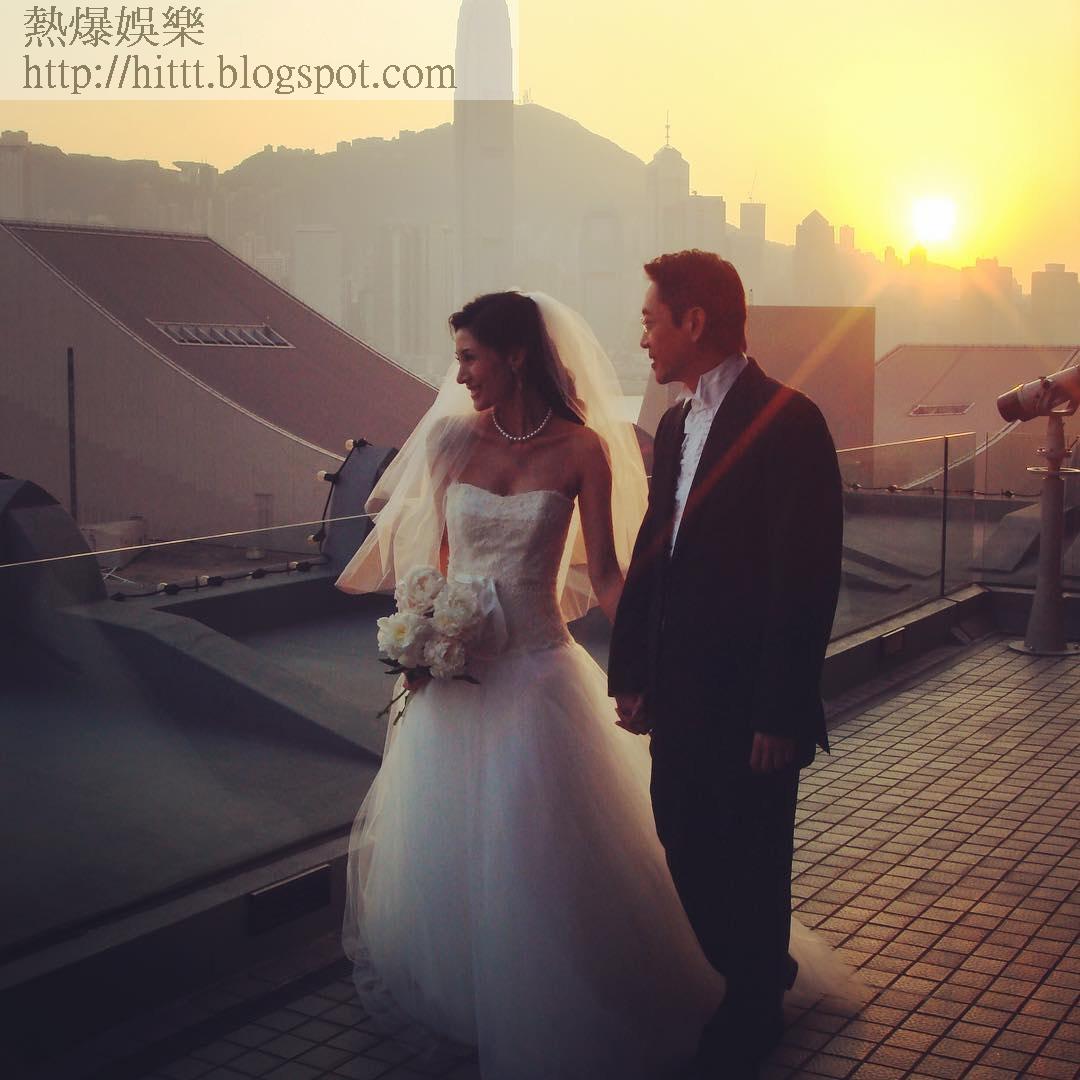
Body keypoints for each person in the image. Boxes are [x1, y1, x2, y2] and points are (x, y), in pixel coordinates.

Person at [337, 290, 855, 1080]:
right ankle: (468, 992)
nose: (460, 374)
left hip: (538, 678)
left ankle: (575, 999)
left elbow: (612, 574)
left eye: (472, 357)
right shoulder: (447, 442)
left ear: (515, 356)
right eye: (458, 359)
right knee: (453, 846)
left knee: (537, 857)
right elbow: (432, 563)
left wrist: (646, 655)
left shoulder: (582, 449)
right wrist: (427, 631)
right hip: (456, 679)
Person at [609, 250, 846, 1078]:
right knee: (680, 831)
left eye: (651, 320)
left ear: (695, 321)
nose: (643, 337)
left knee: (753, 855)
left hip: (750, 702)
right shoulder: (676, 424)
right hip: (679, 690)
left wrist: (781, 711)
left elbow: (804, 577)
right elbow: (656, 550)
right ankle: (757, 970)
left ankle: (753, 1004)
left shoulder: (790, 420)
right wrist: (631, 670)